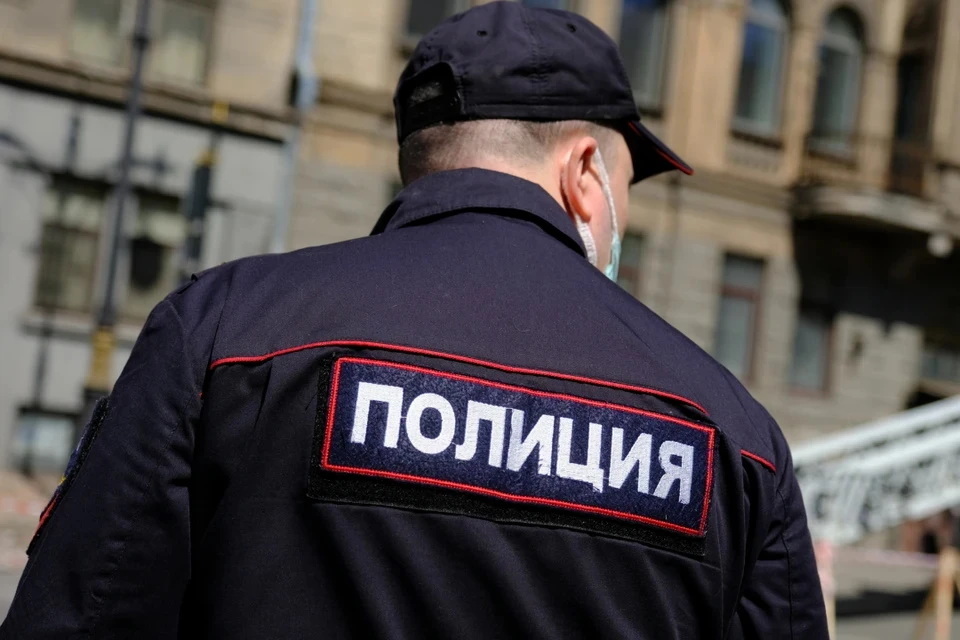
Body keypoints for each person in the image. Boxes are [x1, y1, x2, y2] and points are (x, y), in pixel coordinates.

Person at [2, 2, 828, 638]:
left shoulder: (223, 333)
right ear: (586, 173)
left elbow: (82, 613)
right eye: (626, 184)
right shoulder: (734, 436)